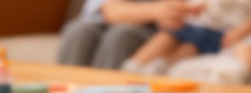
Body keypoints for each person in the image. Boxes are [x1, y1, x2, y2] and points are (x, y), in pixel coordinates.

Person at [121, 0, 251, 80]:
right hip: (196, 27)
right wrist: (178, 11)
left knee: (249, 51)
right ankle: (135, 70)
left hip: (232, 34)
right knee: (169, 40)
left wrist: (244, 30)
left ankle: (228, 75)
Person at [57, 0, 202, 69]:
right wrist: (155, 10)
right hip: (101, 21)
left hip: (152, 29)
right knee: (78, 30)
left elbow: (175, 12)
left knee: (122, 35)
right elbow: (109, 11)